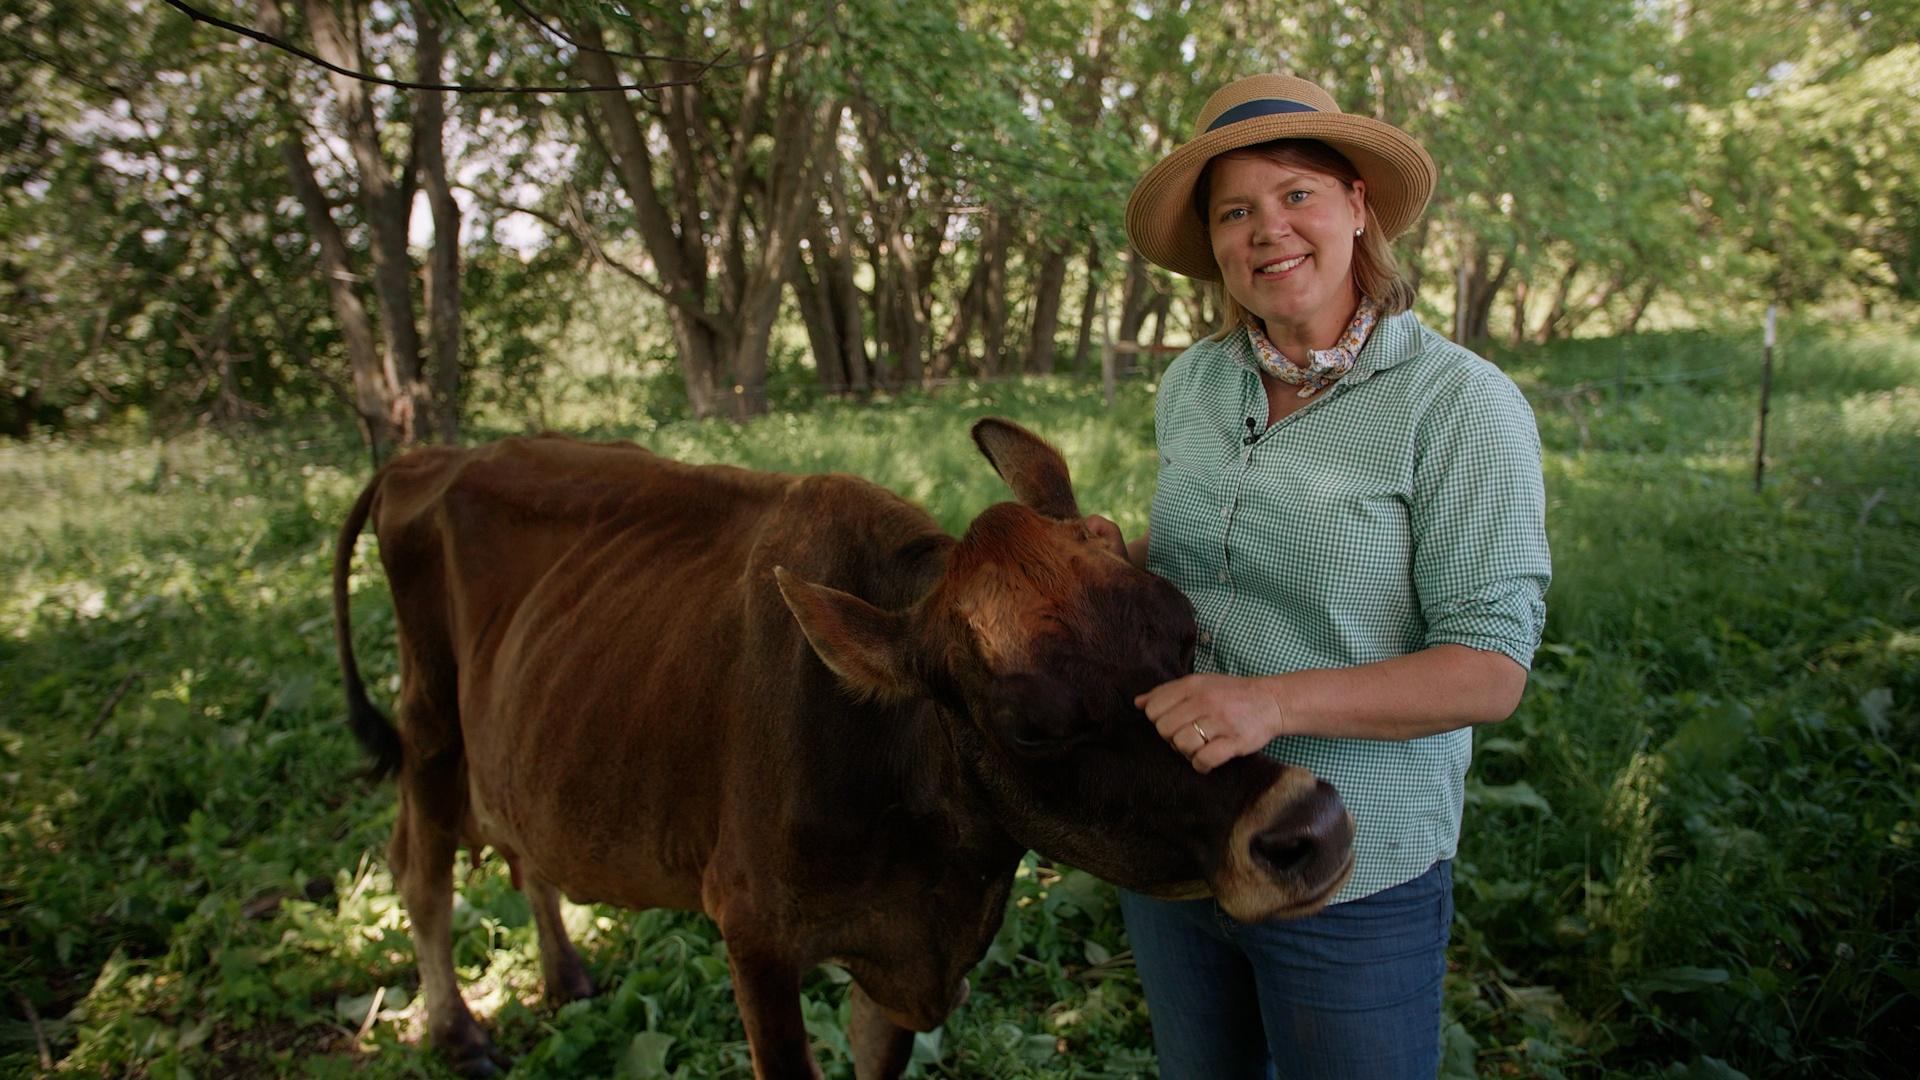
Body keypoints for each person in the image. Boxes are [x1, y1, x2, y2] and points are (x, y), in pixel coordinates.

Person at [1089, 74, 1552, 1078]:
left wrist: (1268, 702)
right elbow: (1203, 583)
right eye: (1235, 212)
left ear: (1358, 208)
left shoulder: (1459, 407)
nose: (1269, 230)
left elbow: (1489, 671)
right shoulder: (1194, 386)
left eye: (1297, 193)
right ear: (1213, 245)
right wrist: (1107, 571)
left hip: (1347, 867)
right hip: (1184, 839)